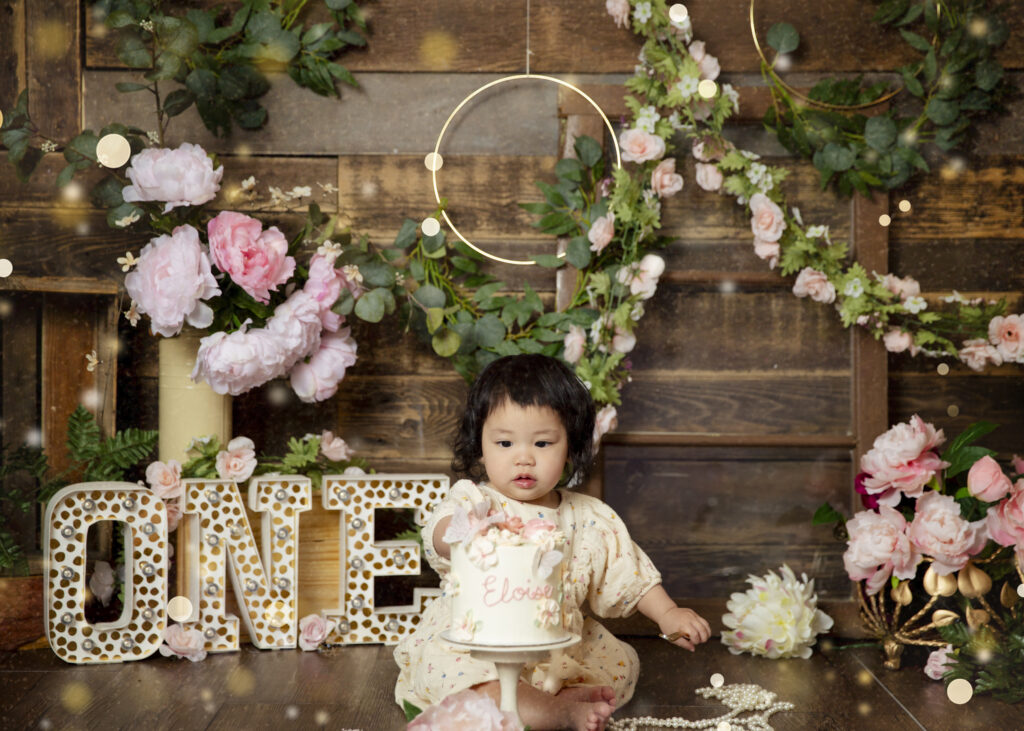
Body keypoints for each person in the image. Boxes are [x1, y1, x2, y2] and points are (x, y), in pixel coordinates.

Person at [394, 354, 711, 731]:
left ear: (570, 447)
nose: (524, 458)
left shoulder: (587, 516)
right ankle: (552, 712)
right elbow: (439, 532)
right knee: (465, 675)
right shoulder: (476, 503)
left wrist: (668, 613)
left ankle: (549, 699)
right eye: (505, 442)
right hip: (480, 637)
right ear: (480, 445)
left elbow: (626, 568)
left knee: (620, 665)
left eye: (543, 443)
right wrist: (467, 531)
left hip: (557, 642)